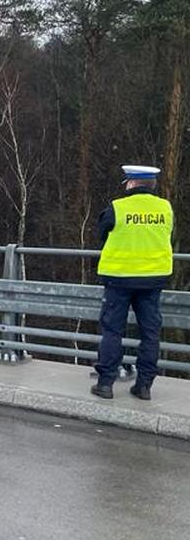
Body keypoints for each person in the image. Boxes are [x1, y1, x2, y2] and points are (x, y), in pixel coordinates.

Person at [90, 165, 174, 401]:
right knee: (150, 333)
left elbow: (102, 233)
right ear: (151, 185)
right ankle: (144, 386)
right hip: (153, 280)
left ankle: (105, 384)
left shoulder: (118, 207)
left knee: (112, 330)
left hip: (119, 279)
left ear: (132, 183)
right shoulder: (165, 208)